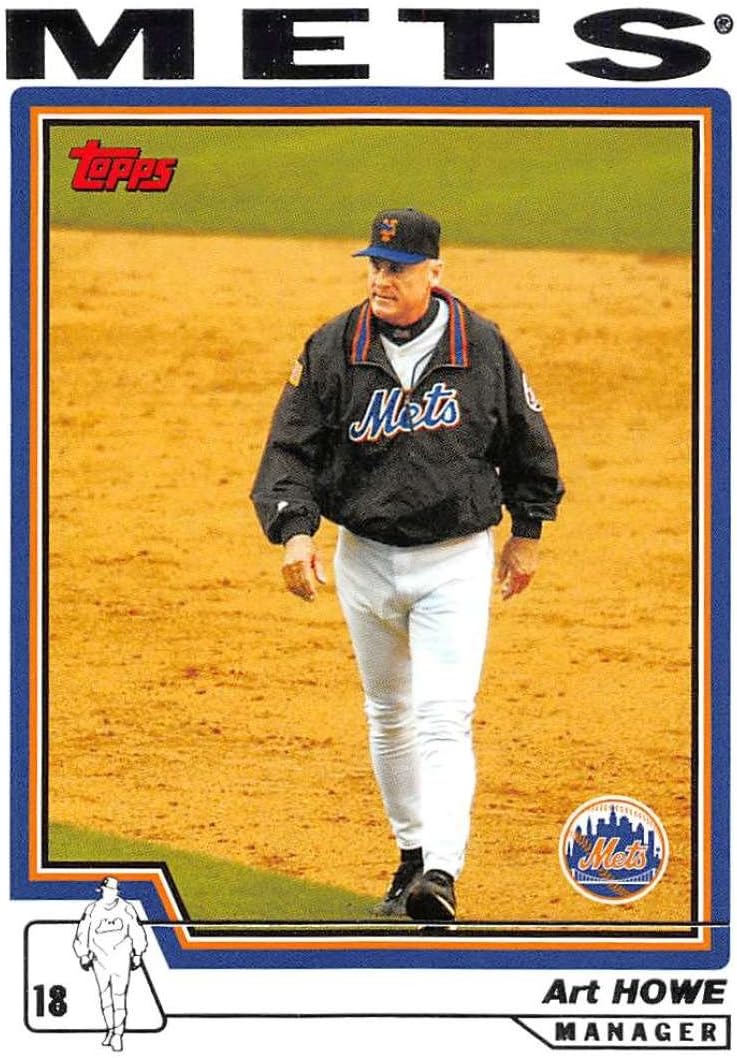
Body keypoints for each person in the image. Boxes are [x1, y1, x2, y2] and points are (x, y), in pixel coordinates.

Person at [251, 208, 563, 921]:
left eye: (396, 268)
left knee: (443, 717)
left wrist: (528, 531)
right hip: (363, 559)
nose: (380, 279)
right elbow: (290, 447)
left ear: (433, 272)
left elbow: (527, 441)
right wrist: (295, 532)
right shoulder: (334, 346)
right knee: (388, 714)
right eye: (375, 265)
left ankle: (442, 873)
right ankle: (413, 857)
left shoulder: (481, 346)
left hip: (453, 561)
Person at [73, 876, 148, 1051]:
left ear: (117, 892)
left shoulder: (126, 909)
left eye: (112, 890)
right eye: (106, 890)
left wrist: (138, 953)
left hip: (121, 960)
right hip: (99, 960)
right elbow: (82, 933)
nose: (109, 893)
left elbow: (137, 931)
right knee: (105, 998)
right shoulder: (92, 909)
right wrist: (83, 954)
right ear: (102, 891)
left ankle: (118, 1034)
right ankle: (110, 1029)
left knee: (119, 997)